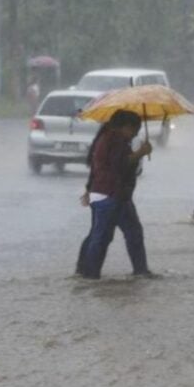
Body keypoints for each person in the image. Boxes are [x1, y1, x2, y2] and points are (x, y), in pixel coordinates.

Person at [77, 110, 153, 279]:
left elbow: (99, 167)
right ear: (125, 127)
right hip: (111, 194)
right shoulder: (115, 139)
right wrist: (140, 153)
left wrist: (90, 189)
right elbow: (119, 166)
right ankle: (90, 275)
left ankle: (85, 274)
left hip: (110, 194)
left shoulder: (107, 137)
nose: (135, 134)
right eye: (135, 129)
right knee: (104, 236)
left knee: (108, 234)